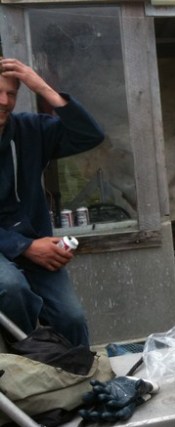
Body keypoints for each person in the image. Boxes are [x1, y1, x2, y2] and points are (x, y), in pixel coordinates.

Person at [0, 58, 105, 347]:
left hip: (35, 244)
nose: (4, 101)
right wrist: (24, 247)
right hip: (16, 246)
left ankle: (78, 369)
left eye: (11, 93)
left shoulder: (30, 130)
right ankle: (28, 362)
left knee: (71, 318)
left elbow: (90, 135)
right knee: (11, 287)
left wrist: (42, 87)